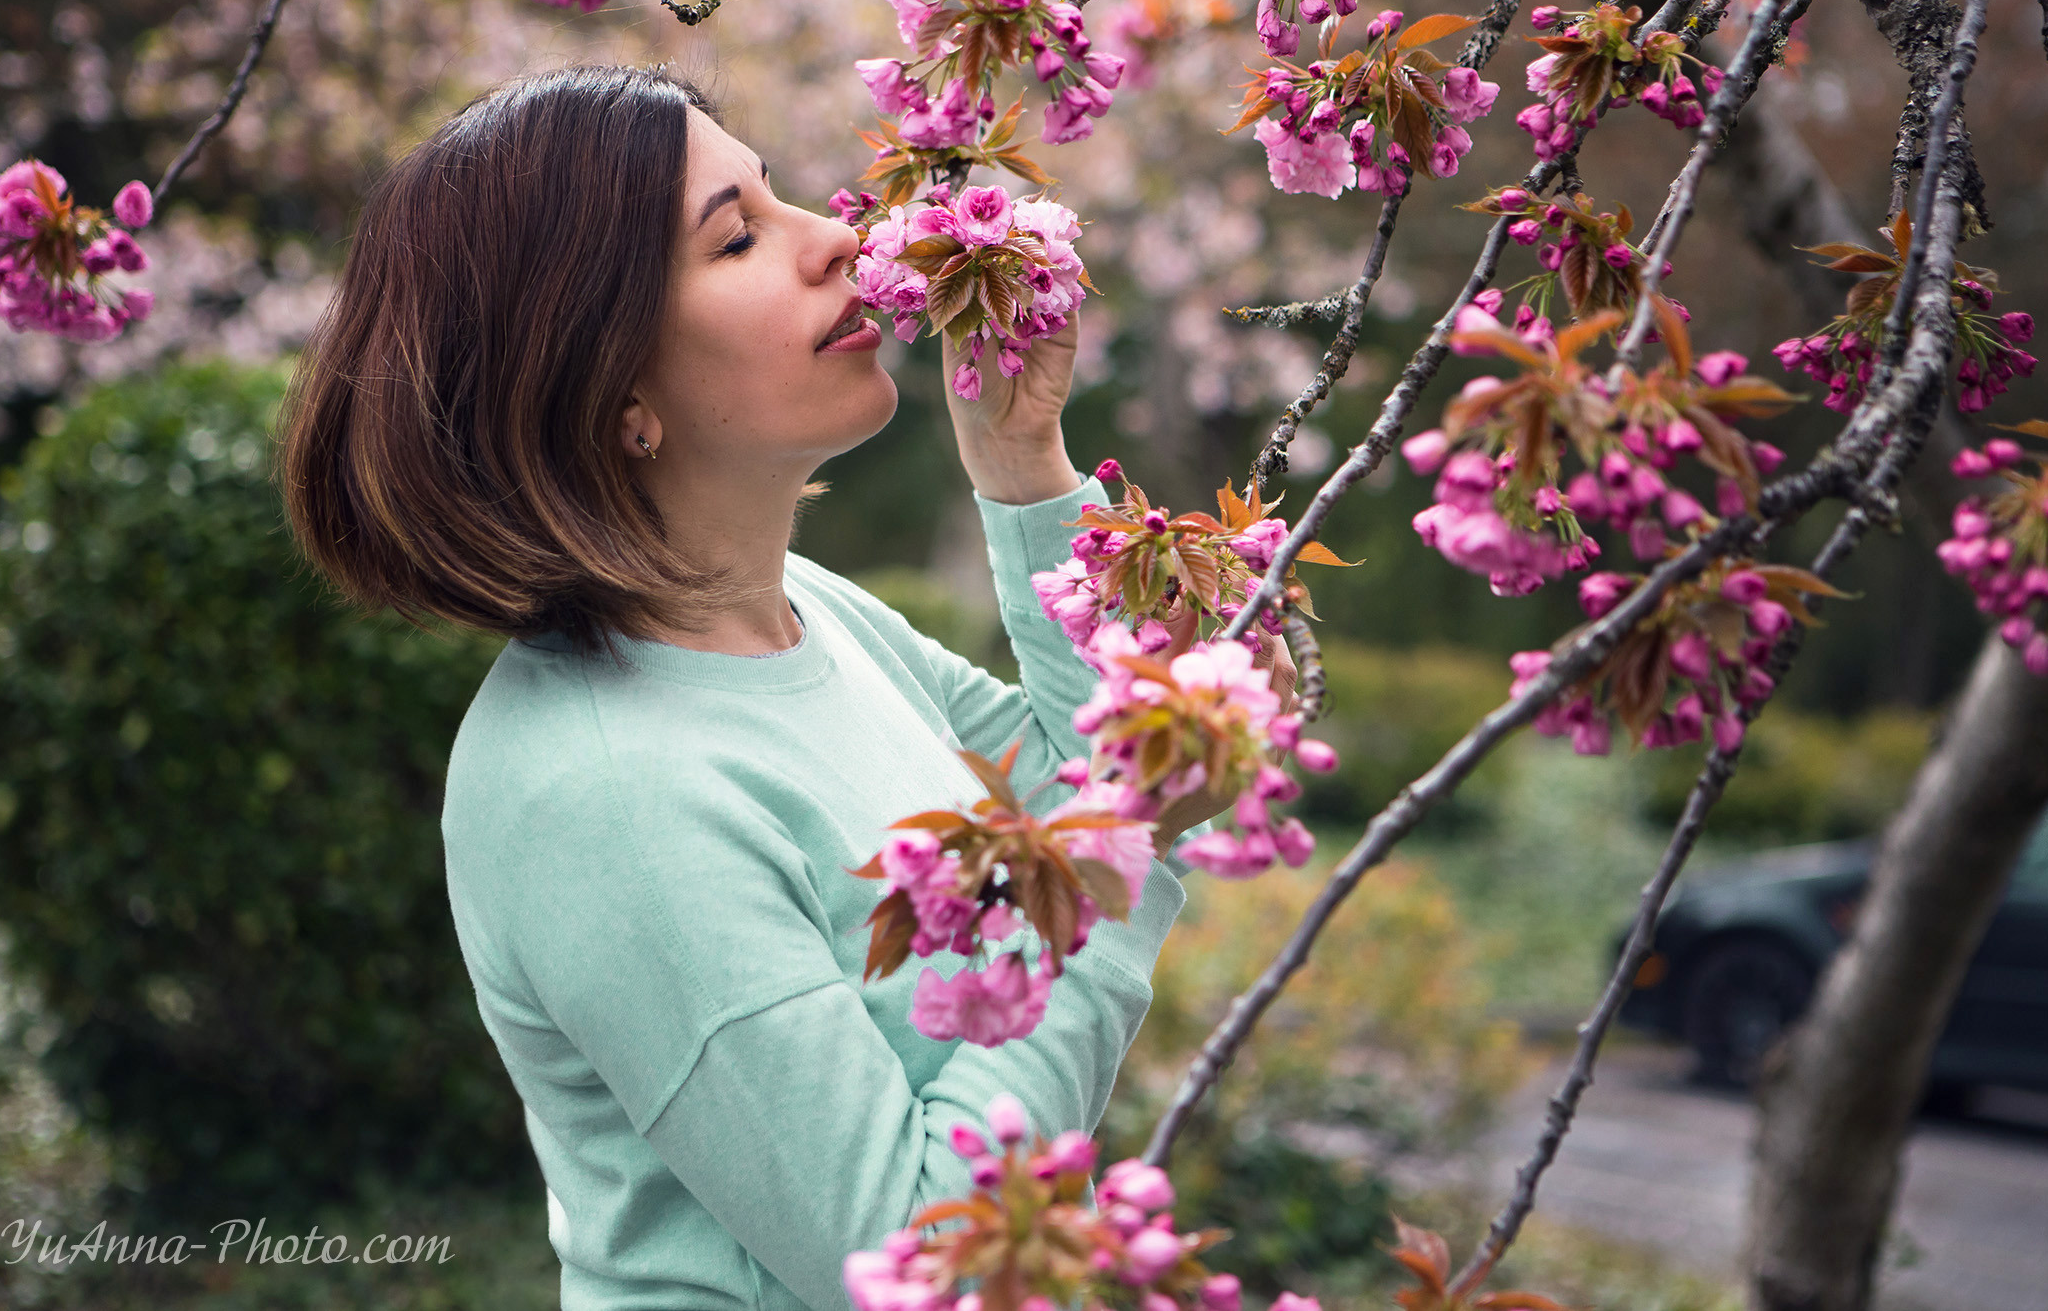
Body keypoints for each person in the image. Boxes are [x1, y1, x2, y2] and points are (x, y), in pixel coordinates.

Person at [278, 64, 1292, 1311]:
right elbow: (911, 1256)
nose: (837, 240)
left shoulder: (808, 617)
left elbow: (1070, 770)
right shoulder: (603, 793)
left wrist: (1024, 468)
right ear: (612, 387)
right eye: (739, 236)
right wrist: (1122, 835)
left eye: (778, 196)